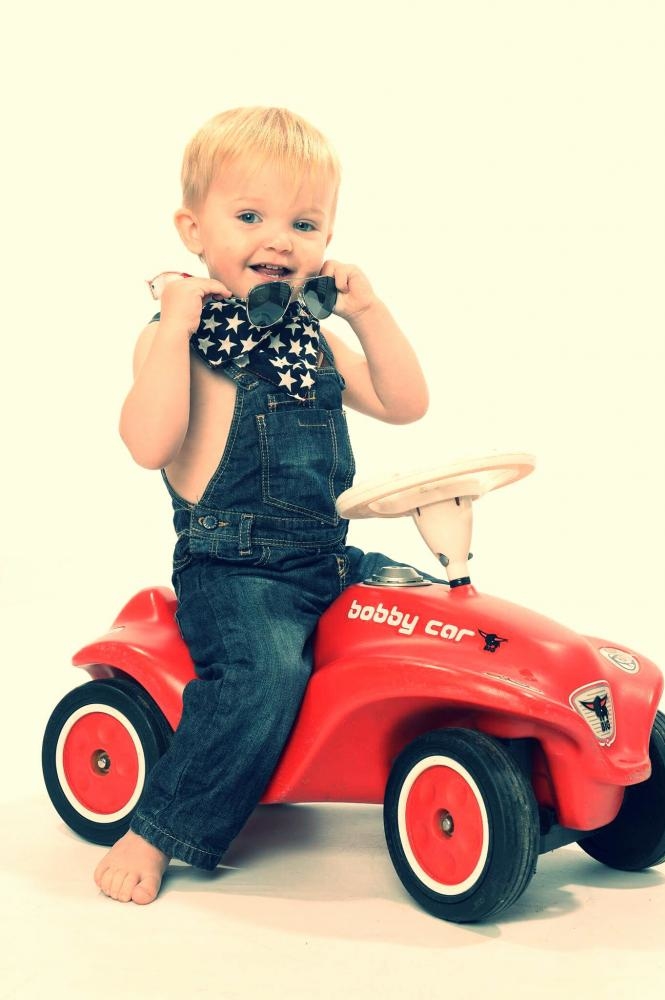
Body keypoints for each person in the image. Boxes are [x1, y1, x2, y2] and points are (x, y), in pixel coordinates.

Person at [94, 106, 429, 904]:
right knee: (261, 677)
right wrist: (175, 325)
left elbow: (404, 402)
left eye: (303, 224)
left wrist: (368, 311)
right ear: (192, 229)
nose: (279, 239)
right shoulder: (175, 337)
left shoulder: (310, 339)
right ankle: (159, 828)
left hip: (328, 558)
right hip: (235, 568)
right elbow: (147, 443)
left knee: (438, 615)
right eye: (250, 216)